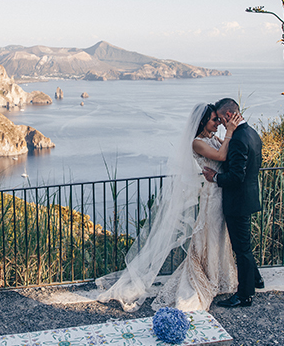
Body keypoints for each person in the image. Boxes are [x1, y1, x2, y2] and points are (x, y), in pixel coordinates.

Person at [96, 102, 241, 312]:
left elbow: (225, 151)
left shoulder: (212, 138)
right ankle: (202, 278)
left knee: (217, 237)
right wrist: (230, 131)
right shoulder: (197, 143)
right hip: (212, 196)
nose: (218, 122)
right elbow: (221, 156)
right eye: (214, 120)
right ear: (202, 122)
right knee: (207, 237)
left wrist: (228, 133)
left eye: (218, 119)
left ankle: (217, 277)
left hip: (220, 193)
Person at [202, 98, 264, 308]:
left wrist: (215, 178)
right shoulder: (251, 132)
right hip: (248, 197)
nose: (219, 123)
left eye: (220, 118)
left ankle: (245, 295)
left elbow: (236, 176)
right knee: (244, 244)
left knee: (241, 248)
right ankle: (256, 279)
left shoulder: (237, 138)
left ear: (228, 116)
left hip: (237, 201)